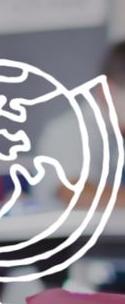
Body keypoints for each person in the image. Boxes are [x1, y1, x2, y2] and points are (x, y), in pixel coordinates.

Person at [36, 41, 125, 210]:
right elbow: (75, 193)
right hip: (66, 235)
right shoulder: (68, 131)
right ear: (107, 90)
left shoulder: (118, 135)